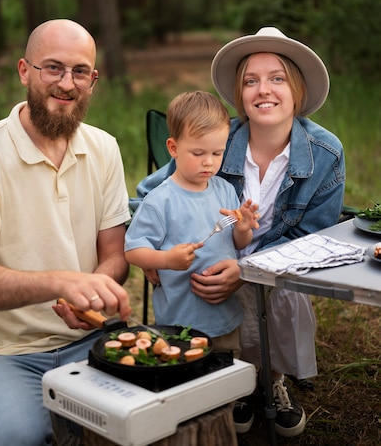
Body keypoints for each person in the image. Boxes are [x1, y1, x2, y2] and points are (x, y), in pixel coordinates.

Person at [136, 27, 345, 438]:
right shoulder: (218, 139)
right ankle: (235, 381)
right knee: (207, 290)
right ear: (240, 92)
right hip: (212, 260)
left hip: (278, 263)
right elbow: (147, 193)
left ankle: (273, 378)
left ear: (296, 89)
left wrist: (246, 268)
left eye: (276, 78)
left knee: (282, 290)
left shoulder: (325, 153)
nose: (262, 90)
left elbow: (312, 238)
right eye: (251, 80)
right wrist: (151, 252)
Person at [0, 19, 132, 446]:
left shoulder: (105, 147)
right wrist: (62, 282)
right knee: (15, 436)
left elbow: (115, 254)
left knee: (160, 407)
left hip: (91, 337)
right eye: (52, 68)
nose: (66, 83)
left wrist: (94, 291)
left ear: (93, 80)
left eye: (80, 71)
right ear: (25, 71)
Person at [125, 91, 259, 355]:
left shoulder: (224, 190)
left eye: (217, 153)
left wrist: (243, 229)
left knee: (226, 370)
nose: (209, 162)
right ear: (173, 148)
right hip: (181, 319)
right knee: (187, 376)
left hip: (225, 314)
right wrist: (166, 260)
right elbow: (132, 251)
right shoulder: (160, 200)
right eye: (198, 153)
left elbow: (235, 242)